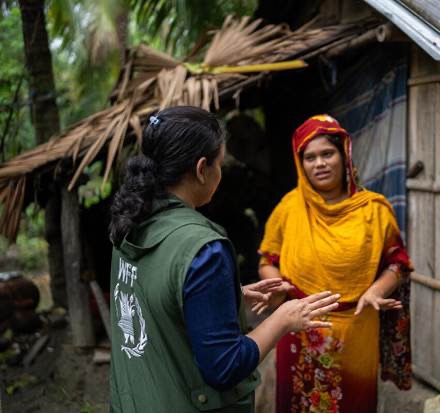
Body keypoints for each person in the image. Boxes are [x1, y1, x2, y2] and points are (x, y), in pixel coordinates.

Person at [108, 106, 340, 413]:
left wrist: (229, 295)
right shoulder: (204, 249)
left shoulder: (130, 223)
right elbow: (224, 366)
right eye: (220, 163)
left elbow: (151, 300)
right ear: (202, 168)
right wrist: (282, 319)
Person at [258, 114, 414, 413]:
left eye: (327, 154)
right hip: (298, 328)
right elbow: (268, 259)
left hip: (356, 329)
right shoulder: (290, 207)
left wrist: (376, 291)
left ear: (344, 155)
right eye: (310, 157)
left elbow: (398, 263)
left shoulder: (374, 210)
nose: (319, 164)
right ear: (300, 163)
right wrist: (279, 285)